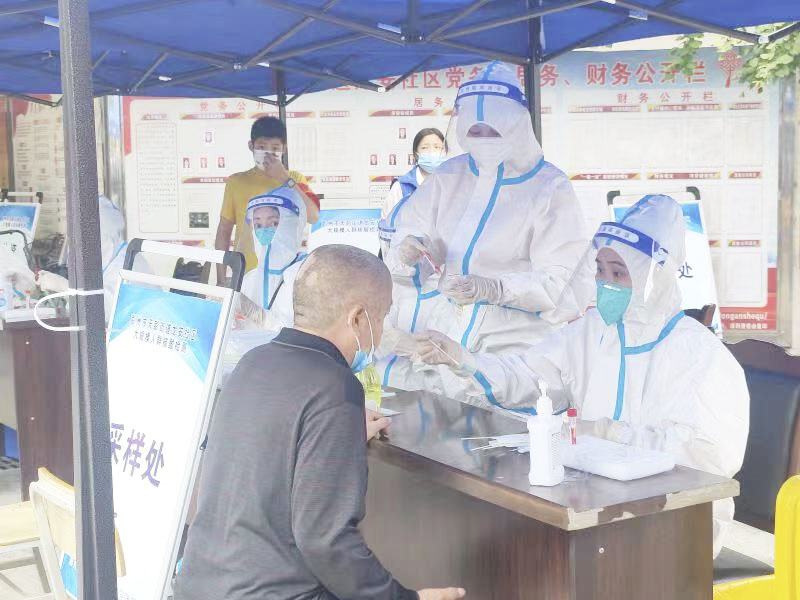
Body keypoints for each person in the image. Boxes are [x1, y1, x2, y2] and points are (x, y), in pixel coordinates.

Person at [414, 194, 750, 557]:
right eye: (601, 271)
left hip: (675, 518)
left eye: (619, 273)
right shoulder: (592, 331)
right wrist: (464, 360)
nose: (606, 283)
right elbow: (530, 376)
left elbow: (708, 458)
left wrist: (612, 435)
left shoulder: (698, 353)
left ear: (654, 276)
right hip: (594, 503)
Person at [176, 244, 466, 600]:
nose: (381, 330)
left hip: (199, 584)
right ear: (357, 318)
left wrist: (339, 433)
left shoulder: (254, 363)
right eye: (382, 316)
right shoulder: (333, 386)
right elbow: (325, 539)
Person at [380, 61, 587, 389]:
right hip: (447, 342)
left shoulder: (549, 188)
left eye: (493, 131)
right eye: (475, 132)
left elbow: (565, 282)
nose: (483, 141)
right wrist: (408, 253)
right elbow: (408, 247)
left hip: (516, 350)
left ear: (515, 126)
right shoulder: (449, 177)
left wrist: (496, 288)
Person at [214, 116, 320, 283]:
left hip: (284, 277)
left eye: (275, 148)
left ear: (284, 149)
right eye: (262, 147)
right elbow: (224, 230)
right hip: (245, 275)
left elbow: (313, 216)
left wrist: (285, 178)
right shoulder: (236, 182)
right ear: (251, 146)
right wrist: (221, 278)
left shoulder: (296, 179)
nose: (268, 153)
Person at [35, 195, 133, 318]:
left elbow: (104, 310)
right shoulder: (106, 261)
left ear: (104, 235)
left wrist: (64, 287)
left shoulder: (128, 262)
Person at [236, 185, 307, 330]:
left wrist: (256, 314)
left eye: (274, 223)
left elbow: (299, 332)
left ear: (292, 224)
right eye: (258, 224)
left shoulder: (304, 275)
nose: (264, 230)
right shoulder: (249, 280)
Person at [379, 127, 446, 257]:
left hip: (443, 260)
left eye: (437, 147)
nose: (432, 152)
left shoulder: (452, 185)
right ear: (416, 153)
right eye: (425, 148)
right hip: (406, 261)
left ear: (445, 152)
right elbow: (387, 229)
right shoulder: (401, 186)